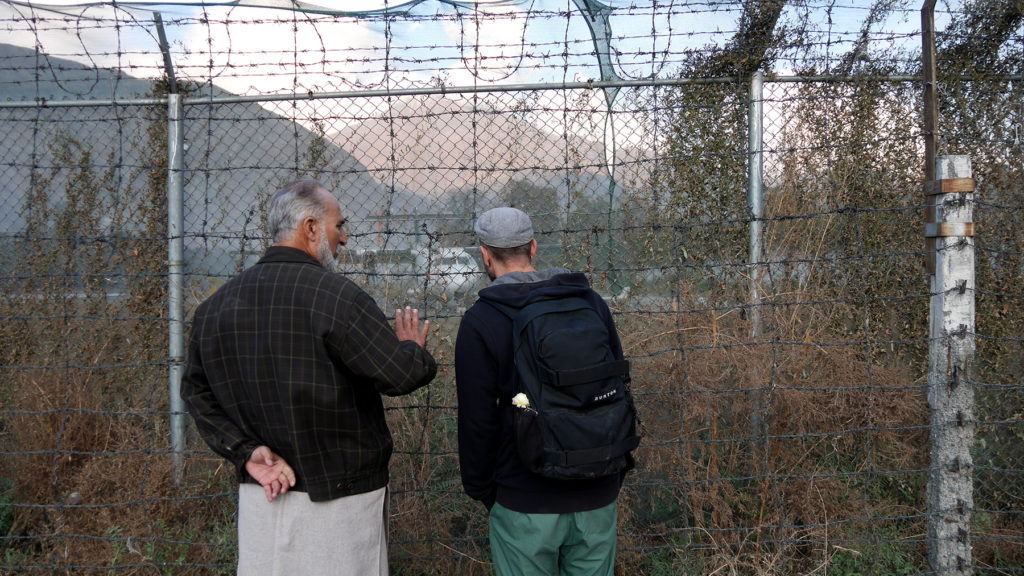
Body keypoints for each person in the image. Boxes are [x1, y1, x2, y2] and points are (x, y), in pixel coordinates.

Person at [182, 177, 437, 576]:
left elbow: (196, 394)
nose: (345, 238)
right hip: (341, 502)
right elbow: (399, 376)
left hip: (262, 495)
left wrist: (246, 451)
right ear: (311, 228)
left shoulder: (214, 308)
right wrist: (412, 349)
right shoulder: (337, 298)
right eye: (339, 226)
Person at [455, 207, 628, 576]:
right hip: (597, 492)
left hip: (523, 499)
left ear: (485, 255)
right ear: (533, 248)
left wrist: (485, 491)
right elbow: (618, 386)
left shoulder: (481, 321)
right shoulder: (589, 302)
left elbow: (477, 422)